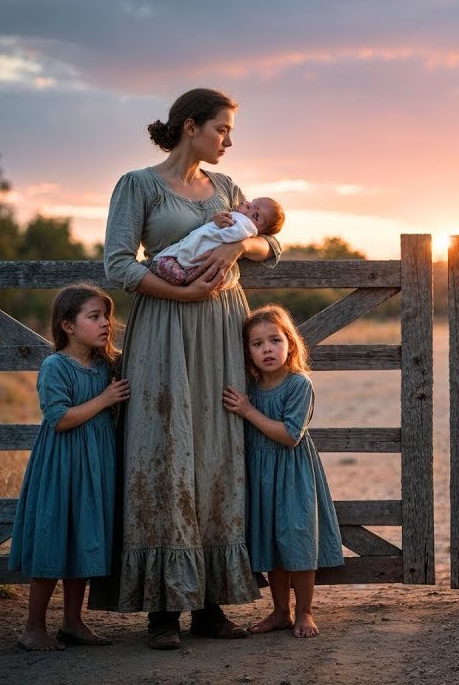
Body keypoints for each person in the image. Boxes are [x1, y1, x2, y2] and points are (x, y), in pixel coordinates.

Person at [100, 87, 281, 650]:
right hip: (164, 326)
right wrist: (180, 295)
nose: (228, 140)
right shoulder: (138, 185)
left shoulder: (227, 188)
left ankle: (209, 604)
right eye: (222, 129)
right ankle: (162, 609)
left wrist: (237, 250)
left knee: (217, 447)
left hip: (223, 329)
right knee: (163, 444)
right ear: (190, 127)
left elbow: (271, 246)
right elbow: (117, 265)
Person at [9, 284, 130, 651]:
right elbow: (59, 419)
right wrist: (105, 398)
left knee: (83, 538)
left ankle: (73, 622)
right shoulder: (56, 366)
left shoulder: (106, 365)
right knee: (54, 537)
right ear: (68, 326)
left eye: (106, 316)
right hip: (61, 465)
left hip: (95, 464)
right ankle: (33, 628)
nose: (105, 323)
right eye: (94, 317)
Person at [222, 305, 344, 639]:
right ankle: (280, 611)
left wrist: (247, 411)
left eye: (275, 340)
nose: (267, 349)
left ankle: (304, 611)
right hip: (261, 474)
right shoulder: (248, 386)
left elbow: (290, 435)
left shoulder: (298, 384)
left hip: (292, 474)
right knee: (273, 542)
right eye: (257, 343)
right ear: (247, 351)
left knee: (297, 540)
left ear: (290, 343)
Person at [150, 196, 284, 285]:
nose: (246, 205)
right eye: (251, 203)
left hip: (202, 267)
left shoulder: (244, 223)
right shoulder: (143, 183)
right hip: (187, 257)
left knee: (187, 271)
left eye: (255, 215)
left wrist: (240, 246)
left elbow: (273, 246)